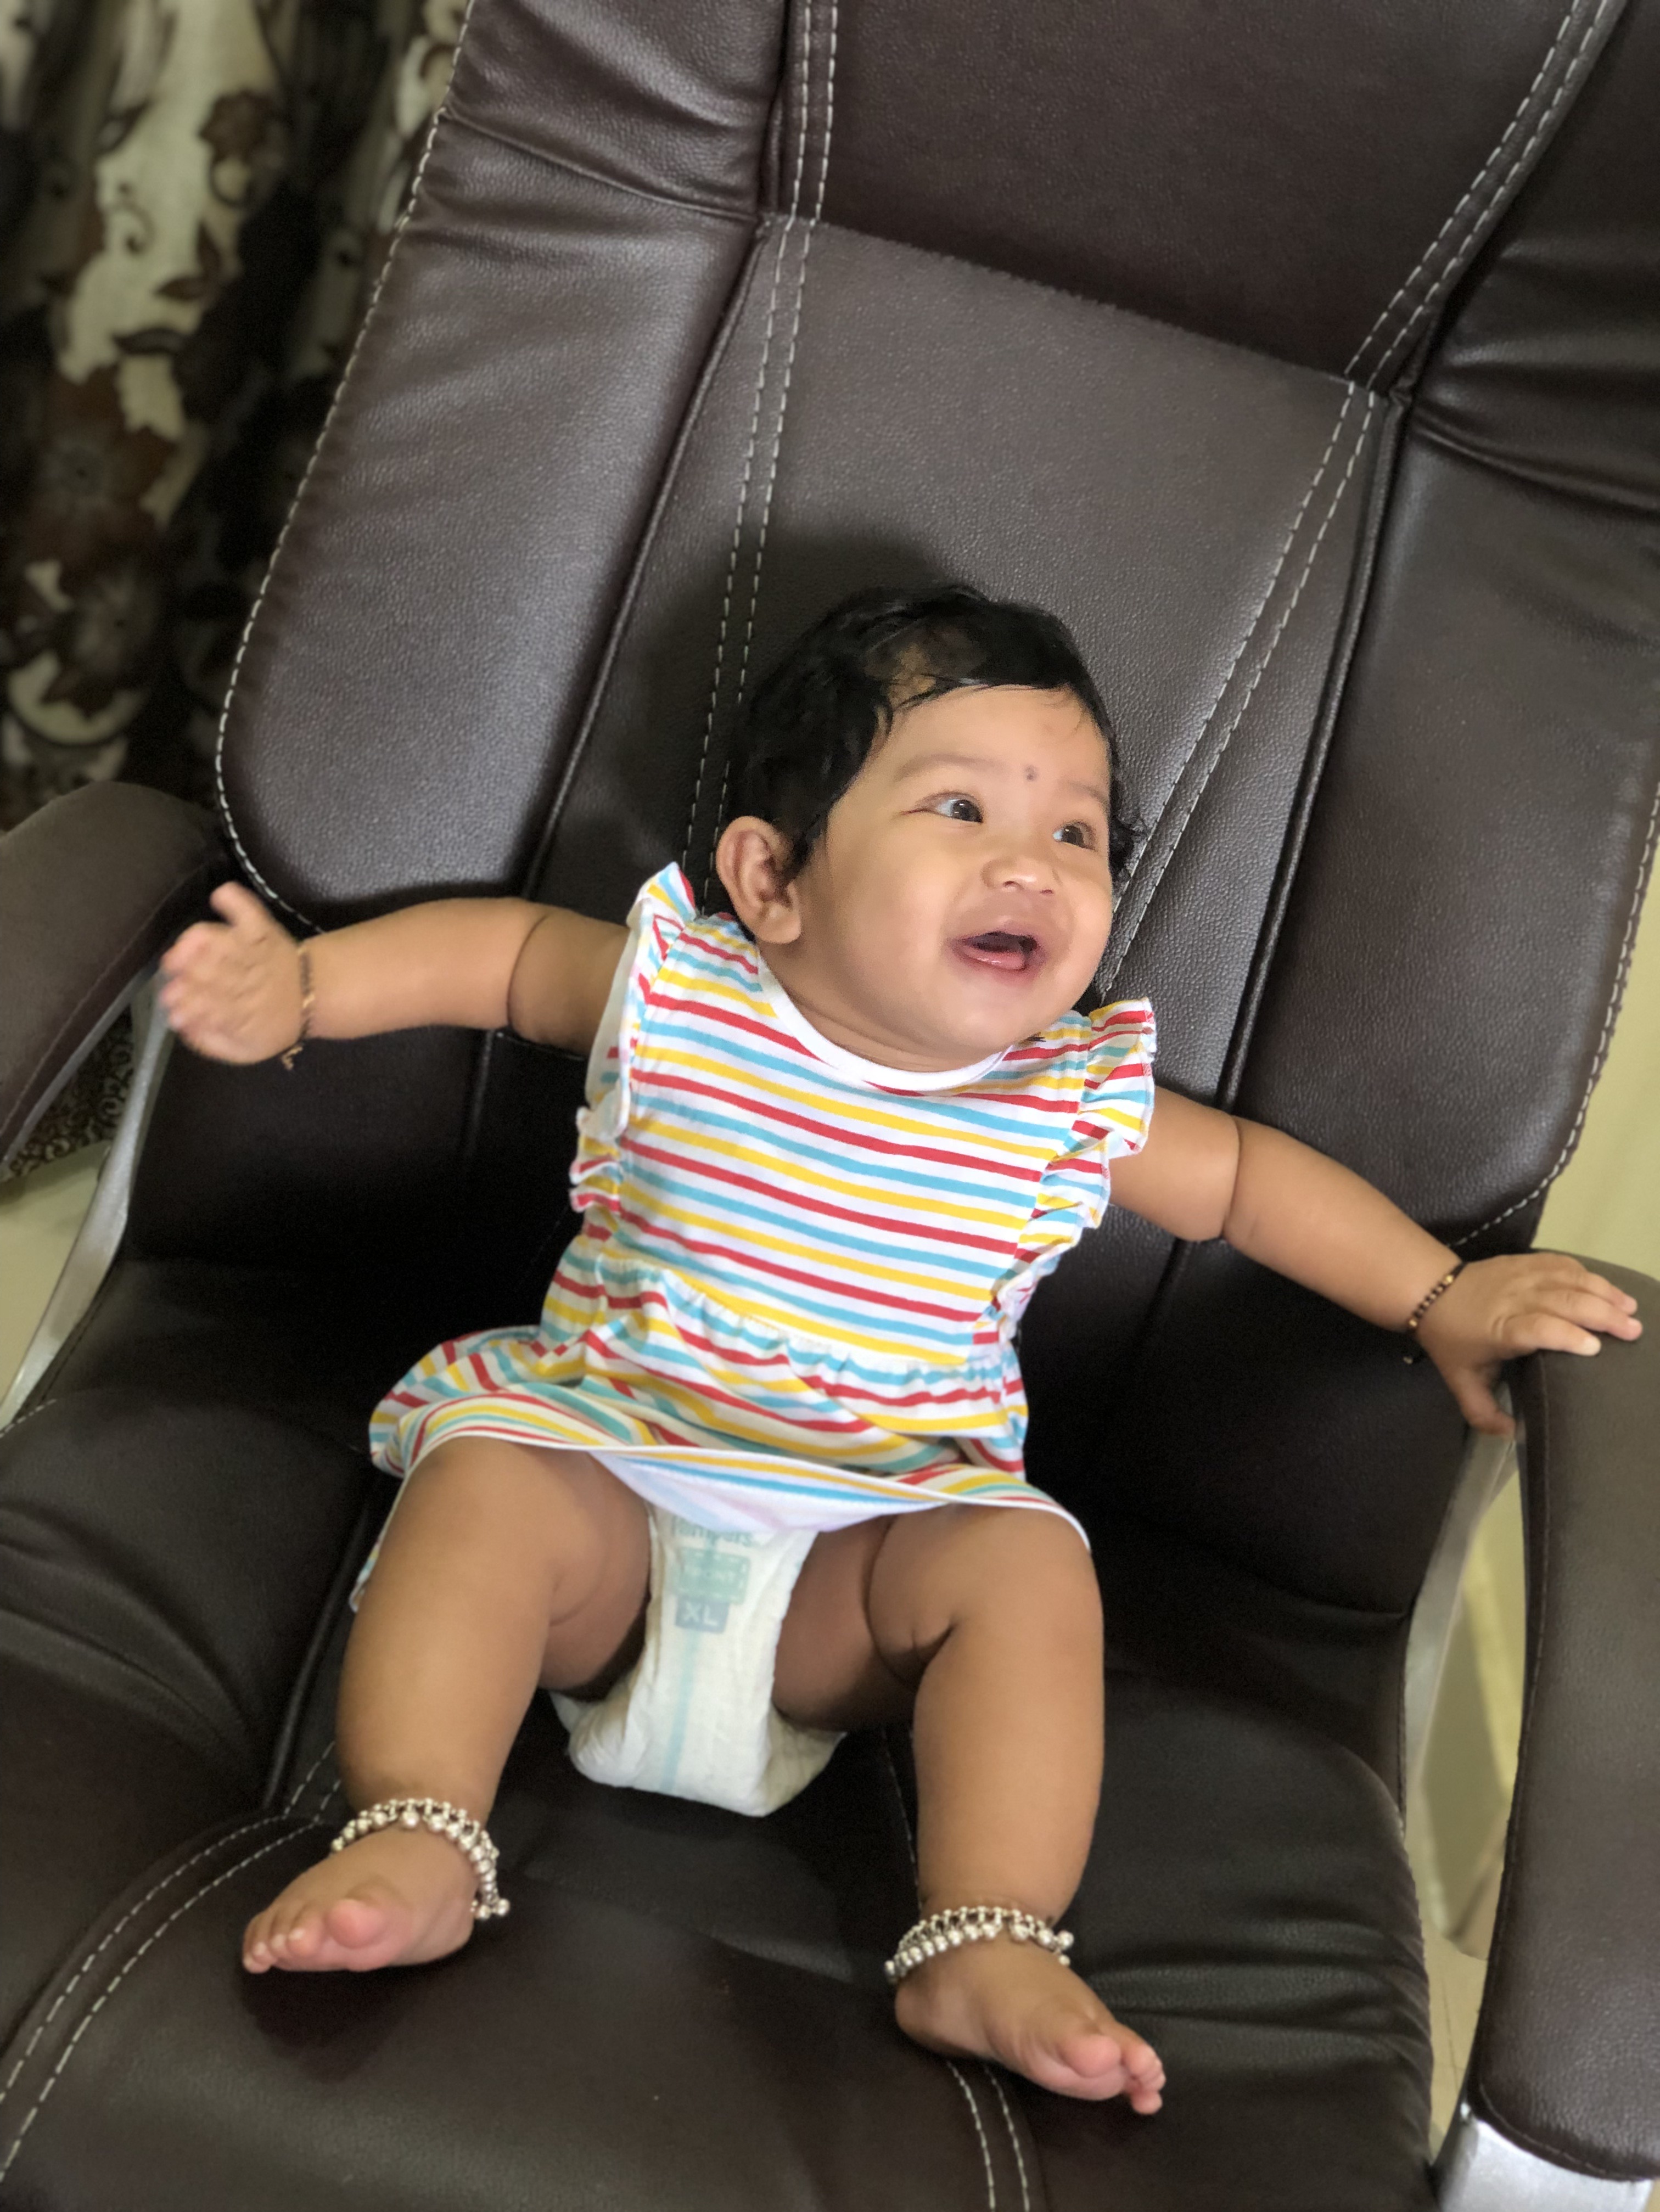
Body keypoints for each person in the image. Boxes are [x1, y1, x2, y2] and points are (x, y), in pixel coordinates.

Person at [158, 583, 1639, 2110]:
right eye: (961, 808)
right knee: (483, 1485)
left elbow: (1251, 1186)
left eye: (1079, 833)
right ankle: (417, 1828)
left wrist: (1437, 1297)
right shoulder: (682, 995)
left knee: (1027, 1568)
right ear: (773, 878)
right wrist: (307, 990)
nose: (1033, 862)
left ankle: (985, 1932)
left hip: (855, 1584)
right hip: (605, 1513)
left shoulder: (1065, 1100)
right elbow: (502, 958)